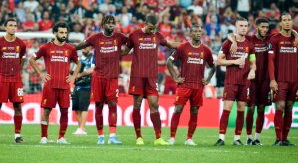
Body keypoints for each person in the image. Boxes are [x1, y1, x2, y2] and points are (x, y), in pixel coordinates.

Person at [228, 18, 298, 145]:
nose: (265, 30)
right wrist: (232, 41)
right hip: (251, 79)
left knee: (261, 108)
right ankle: (249, 137)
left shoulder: (270, 39)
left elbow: (287, 31)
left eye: (267, 27)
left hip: (265, 80)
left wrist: (295, 34)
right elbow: (231, 35)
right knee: (250, 108)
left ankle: (257, 138)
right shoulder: (250, 39)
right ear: (257, 27)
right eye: (262, 27)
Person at [124, 14, 179, 146]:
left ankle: (158, 138)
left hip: (151, 76)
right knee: (137, 104)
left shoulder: (158, 35)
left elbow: (170, 44)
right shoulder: (134, 35)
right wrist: (109, 54)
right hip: (137, 75)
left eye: (154, 28)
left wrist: (187, 46)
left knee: (154, 104)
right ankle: (139, 137)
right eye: (150, 28)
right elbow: (125, 51)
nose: (152, 31)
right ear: (145, 23)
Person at [76, 15, 128, 145]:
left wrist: (124, 52)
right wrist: (68, 49)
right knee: (98, 106)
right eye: (109, 23)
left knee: (113, 105)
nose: (111, 25)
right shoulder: (95, 37)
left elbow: (132, 43)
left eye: (113, 23)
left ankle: (112, 136)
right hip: (98, 77)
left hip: (112, 78)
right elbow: (81, 45)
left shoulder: (119, 37)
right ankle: (100, 137)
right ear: (103, 24)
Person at [29, 22, 81, 145]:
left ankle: (61, 137)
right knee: (46, 111)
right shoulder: (46, 47)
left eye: (65, 32)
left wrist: (73, 76)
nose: (64, 35)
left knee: (64, 111)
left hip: (64, 86)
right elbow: (32, 59)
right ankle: (44, 137)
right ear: (55, 33)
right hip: (50, 86)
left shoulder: (70, 48)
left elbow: (78, 63)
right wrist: (41, 73)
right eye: (61, 32)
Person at [167, 24, 216, 146]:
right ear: (191, 33)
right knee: (178, 109)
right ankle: (172, 137)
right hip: (184, 85)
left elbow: (213, 66)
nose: (198, 33)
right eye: (195, 31)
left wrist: (208, 79)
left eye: (200, 31)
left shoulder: (206, 50)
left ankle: (189, 138)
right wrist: (175, 77)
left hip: (198, 86)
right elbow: (169, 61)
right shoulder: (183, 47)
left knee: (194, 111)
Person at [214, 17, 256, 146]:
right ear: (236, 27)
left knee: (241, 109)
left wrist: (252, 70)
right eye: (241, 25)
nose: (243, 28)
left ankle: (237, 139)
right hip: (231, 81)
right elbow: (219, 61)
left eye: (245, 26)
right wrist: (234, 61)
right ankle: (221, 138)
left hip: (244, 82)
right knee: (227, 108)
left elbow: (253, 62)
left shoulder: (250, 45)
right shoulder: (228, 43)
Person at [268, 13, 298, 146]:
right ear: (281, 23)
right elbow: (271, 61)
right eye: (285, 20)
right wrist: (272, 80)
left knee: (289, 107)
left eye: (289, 20)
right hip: (280, 80)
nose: (287, 22)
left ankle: (285, 138)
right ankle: (278, 138)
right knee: (280, 106)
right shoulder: (275, 39)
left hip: (294, 81)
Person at [0, 18, 27, 143]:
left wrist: (17, 72)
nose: (13, 28)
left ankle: (17, 135)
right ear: (5, 27)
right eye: (10, 25)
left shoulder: (21, 44)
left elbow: (22, 60)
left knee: (18, 107)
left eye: (15, 25)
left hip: (16, 81)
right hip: (1, 80)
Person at [72, 46, 95, 135]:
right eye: (82, 48)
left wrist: (80, 74)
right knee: (76, 108)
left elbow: (92, 69)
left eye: (85, 48)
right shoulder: (78, 58)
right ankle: (81, 128)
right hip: (77, 85)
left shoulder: (93, 57)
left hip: (87, 85)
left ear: (90, 48)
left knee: (84, 107)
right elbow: (73, 70)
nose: (83, 49)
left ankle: (81, 128)